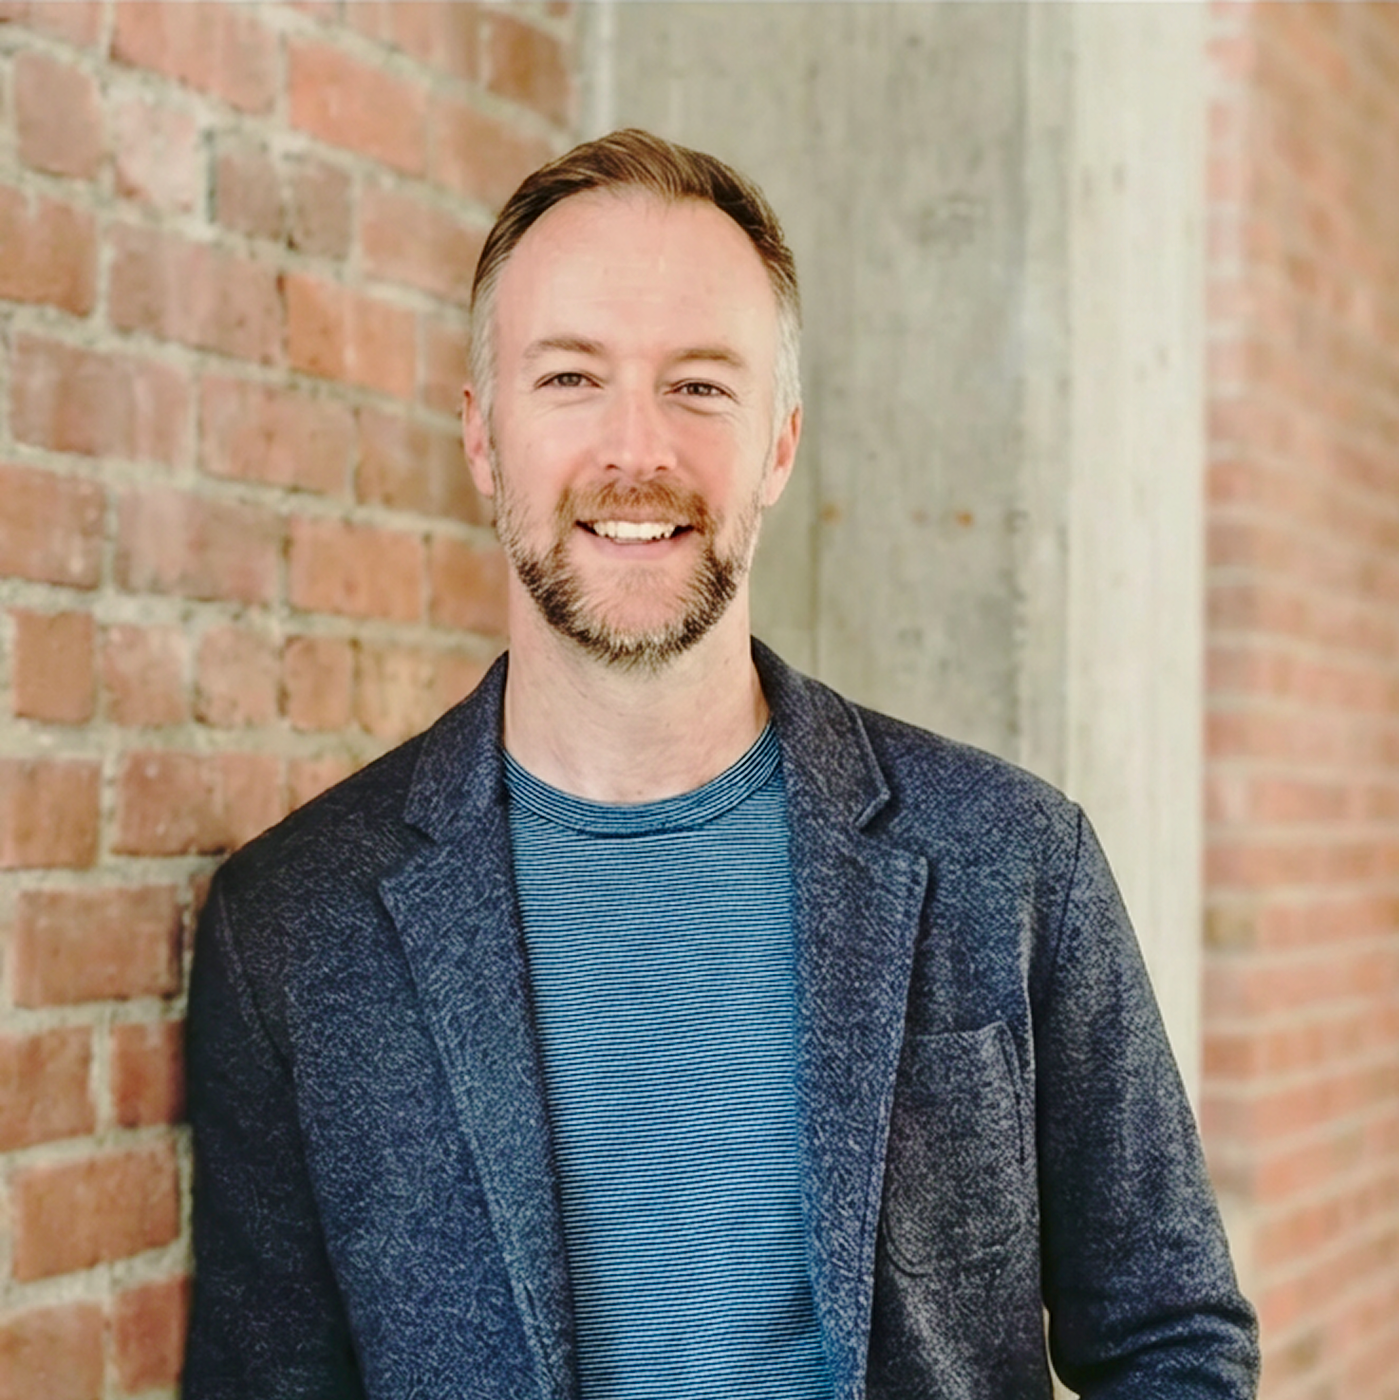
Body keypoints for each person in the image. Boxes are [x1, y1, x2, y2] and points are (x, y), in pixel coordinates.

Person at [184, 129, 1259, 1399]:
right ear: (482, 438)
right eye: (571, 378)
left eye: (699, 386)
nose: (635, 449)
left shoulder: (1015, 861)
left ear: (780, 443)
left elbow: (1172, 1341)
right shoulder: (297, 935)